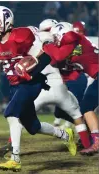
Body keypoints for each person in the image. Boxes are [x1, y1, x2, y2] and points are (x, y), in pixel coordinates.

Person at [0, 7, 86, 171]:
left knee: (11, 114)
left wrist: (33, 62)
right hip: (14, 85)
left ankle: (15, 158)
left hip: (31, 82)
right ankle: (66, 135)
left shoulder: (23, 36)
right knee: (33, 127)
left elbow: (47, 52)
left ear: (6, 22)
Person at [43, 21, 99, 155]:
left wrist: (46, 45)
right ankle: (95, 139)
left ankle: (95, 142)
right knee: (85, 107)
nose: (55, 41)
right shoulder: (75, 41)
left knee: (85, 107)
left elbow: (57, 55)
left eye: (55, 37)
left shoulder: (72, 37)